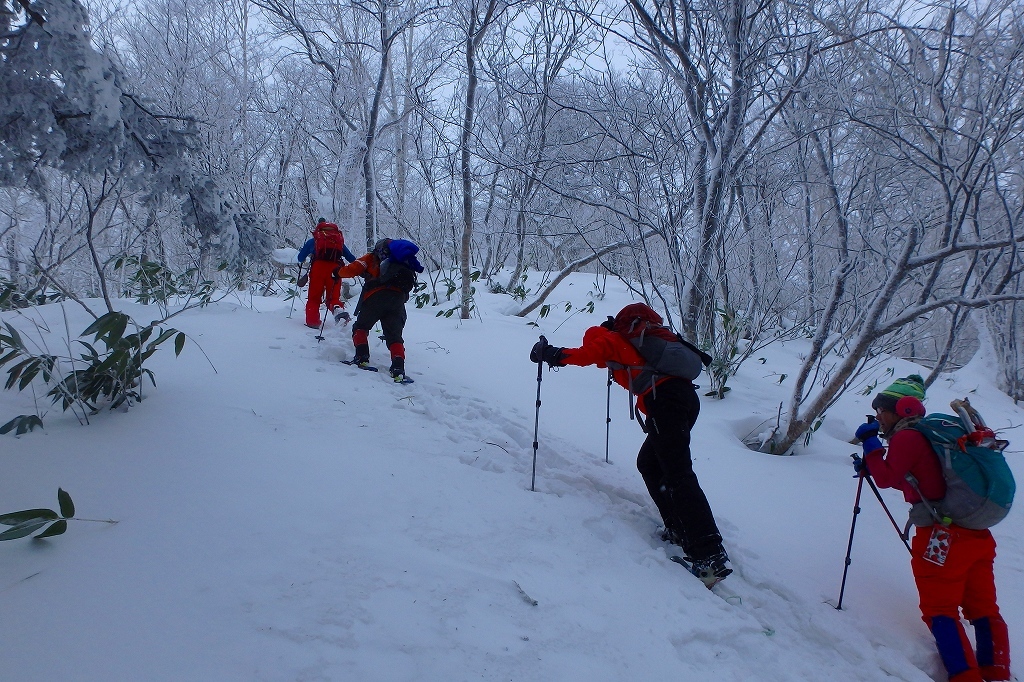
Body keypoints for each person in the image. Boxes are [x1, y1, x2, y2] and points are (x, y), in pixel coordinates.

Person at [530, 303, 731, 587]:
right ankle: (678, 528)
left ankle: (709, 554)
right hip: (684, 400)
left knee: (678, 473)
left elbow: (587, 355)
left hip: (666, 403)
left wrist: (551, 354)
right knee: (650, 463)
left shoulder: (612, 340)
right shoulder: (652, 339)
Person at [855, 375, 1011, 682]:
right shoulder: (930, 437)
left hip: (943, 538)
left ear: (903, 409)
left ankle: (965, 677)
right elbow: (915, 480)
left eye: (881, 410)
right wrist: (874, 461)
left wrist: (871, 445)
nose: (878, 417)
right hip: (975, 533)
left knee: (940, 609)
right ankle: (997, 671)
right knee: (983, 606)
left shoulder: (907, 438)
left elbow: (887, 478)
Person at [332, 238, 423, 381]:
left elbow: (352, 269)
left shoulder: (371, 257)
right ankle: (398, 369)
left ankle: (362, 358)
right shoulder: (402, 261)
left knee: (361, 327)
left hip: (375, 296)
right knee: (394, 336)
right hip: (397, 299)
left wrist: (337, 272)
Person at [297, 218, 356, 329]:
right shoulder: (338, 241)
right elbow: (351, 258)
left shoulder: (314, 240)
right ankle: (338, 310)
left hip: (318, 269)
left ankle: (312, 321)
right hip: (336, 270)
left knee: (314, 298)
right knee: (333, 297)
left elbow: (300, 258)